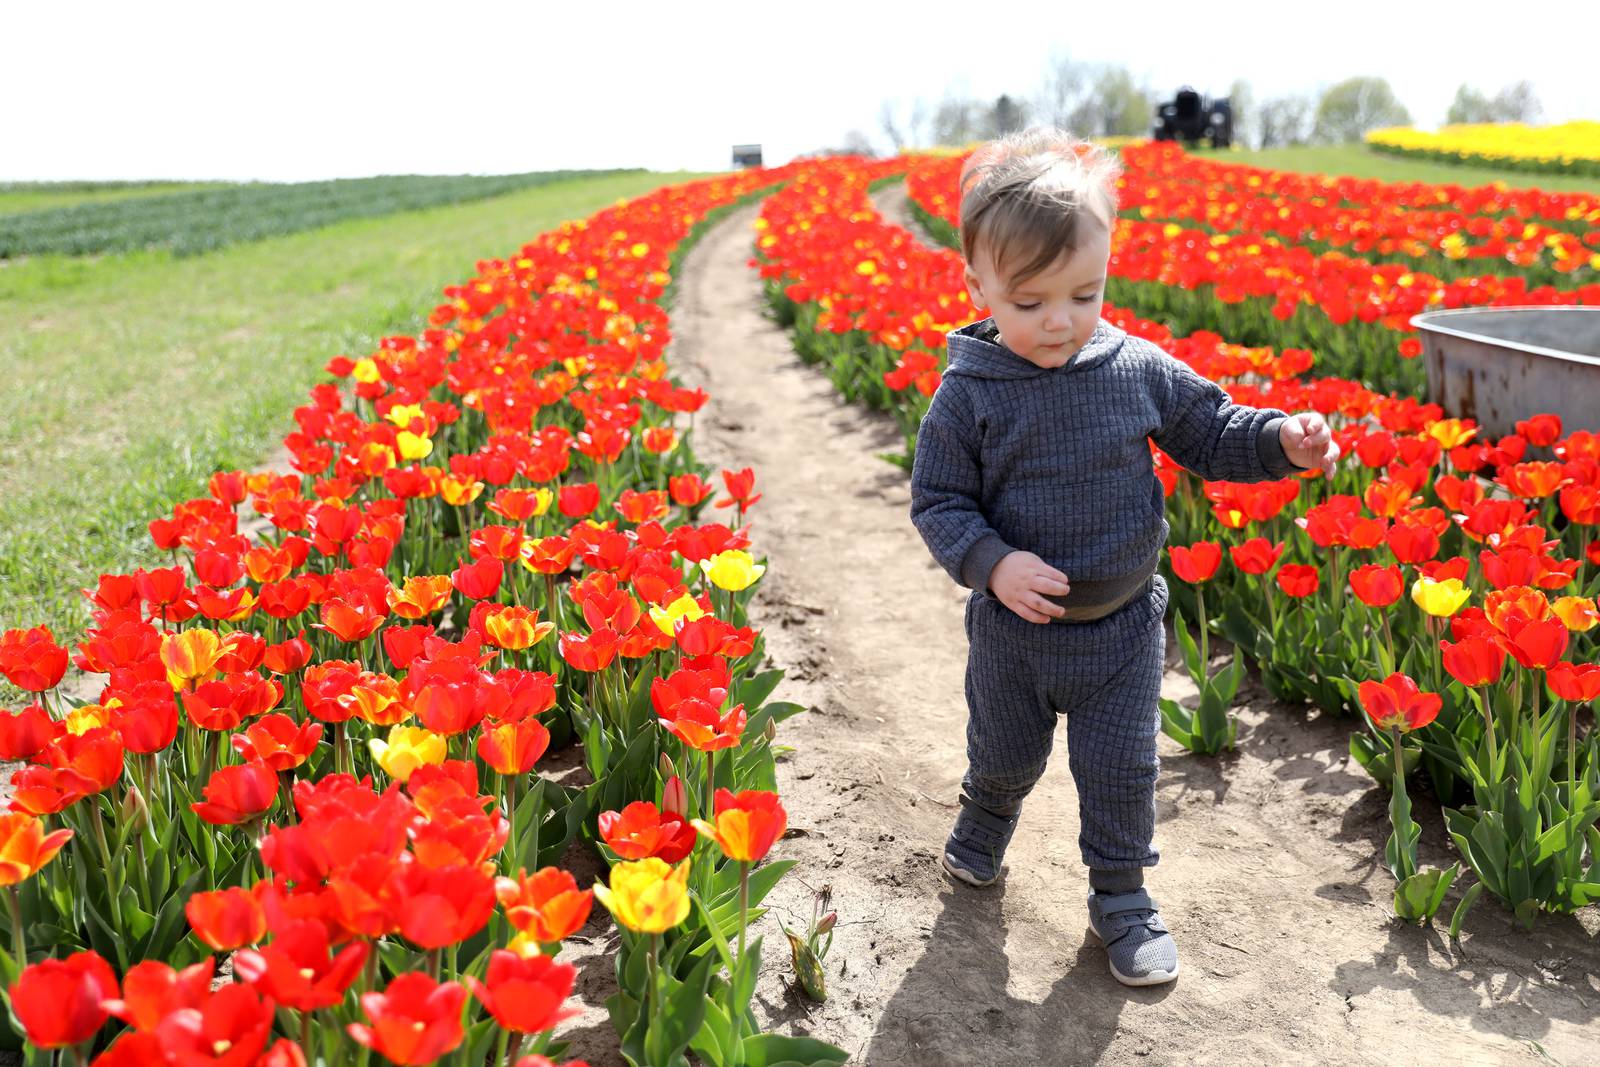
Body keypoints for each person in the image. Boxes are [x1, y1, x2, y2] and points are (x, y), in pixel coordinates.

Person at [908, 126, 1340, 987]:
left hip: (1121, 628)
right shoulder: (968, 395)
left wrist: (1282, 442)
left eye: (1085, 291)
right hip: (1016, 632)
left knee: (1121, 769)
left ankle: (1122, 897)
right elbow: (939, 501)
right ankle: (986, 818)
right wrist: (992, 562)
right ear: (978, 285)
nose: (1060, 319)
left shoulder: (1134, 367)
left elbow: (1210, 428)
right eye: (1029, 303)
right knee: (1005, 752)